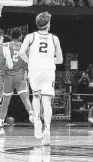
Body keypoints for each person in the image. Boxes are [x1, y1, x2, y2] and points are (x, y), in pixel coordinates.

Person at [19, 12, 63, 146]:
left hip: (34, 69)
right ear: (48, 24)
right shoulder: (54, 39)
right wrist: (49, 60)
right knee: (47, 101)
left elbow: (21, 53)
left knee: (36, 96)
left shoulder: (30, 36)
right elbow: (60, 60)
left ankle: (37, 120)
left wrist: (31, 61)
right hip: (48, 70)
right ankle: (47, 129)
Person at [0, 28, 35, 135]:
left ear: (10, 36)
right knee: (25, 98)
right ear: (20, 36)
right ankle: (32, 115)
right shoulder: (25, 47)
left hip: (8, 76)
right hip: (20, 75)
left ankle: (0, 125)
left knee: (5, 102)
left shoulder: (5, 46)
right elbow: (29, 61)